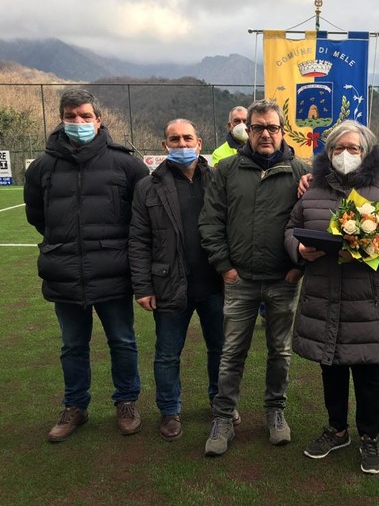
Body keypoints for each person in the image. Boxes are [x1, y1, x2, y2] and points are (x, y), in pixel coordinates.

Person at [285, 121, 379, 474]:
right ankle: (337, 429)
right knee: (332, 370)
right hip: (324, 299)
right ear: (328, 153)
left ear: (367, 152)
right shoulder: (311, 191)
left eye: (353, 148)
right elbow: (290, 228)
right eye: (338, 148)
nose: (345, 155)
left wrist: (369, 246)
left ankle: (369, 437)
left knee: (370, 374)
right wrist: (298, 248)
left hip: (370, 303)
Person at [24, 88, 148, 442]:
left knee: (122, 341)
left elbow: (142, 219)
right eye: (70, 116)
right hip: (63, 272)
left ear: (99, 119)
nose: (77, 122)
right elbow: (38, 217)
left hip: (113, 272)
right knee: (72, 346)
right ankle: (75, 406)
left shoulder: (127, 164)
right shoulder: (43, 167)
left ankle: (126, 402)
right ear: (61, 120)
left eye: (84, 116)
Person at [199, 99, 310, 457]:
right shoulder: (227, 170)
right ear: (247, 130)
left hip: (283, 279)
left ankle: (275, 412)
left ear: (282, 131)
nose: (265, 133)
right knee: (232, 352)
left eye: (272, 128)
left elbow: (314, 223)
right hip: (240, 279)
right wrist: (225, 267)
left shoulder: (301, 171)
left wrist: (298, 269)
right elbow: (210, 222)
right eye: (258, 127)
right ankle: (223, 417)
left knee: (280, 351)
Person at [129, 119, 226, 441]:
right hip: (169, 285)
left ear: (199, 143)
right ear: (164, 146)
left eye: (188, 139)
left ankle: (220, 403)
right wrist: (143, 286)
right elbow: (139, 240)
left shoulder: (218, 180)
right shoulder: (148, 187)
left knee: (220, 350)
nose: (182, 144)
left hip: (216, 285)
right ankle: (170, 411)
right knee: (167, 354)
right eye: (175, 139)